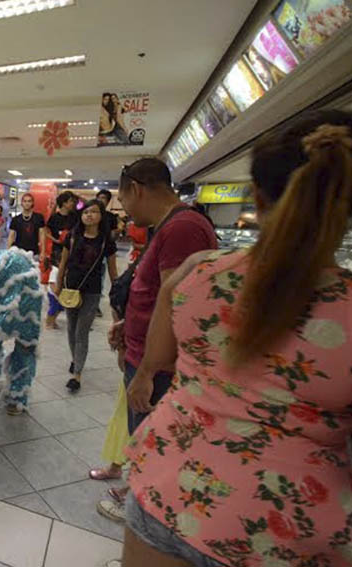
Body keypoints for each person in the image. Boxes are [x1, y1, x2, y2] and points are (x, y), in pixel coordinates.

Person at [121, 111, 352, 567]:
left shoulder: (200, 273)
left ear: (258, 200)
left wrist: (145, 374)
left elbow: (159, 357)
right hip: (289, 525)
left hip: (170, 483)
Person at [101, 157, 217, 523]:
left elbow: (178, 307)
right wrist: (128, 323)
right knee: (145, 444)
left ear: (135, 189)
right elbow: (156, 295)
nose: (126, 210)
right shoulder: (169, 226)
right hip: (146, 356)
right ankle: (140, 505)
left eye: (124, 200)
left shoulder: (182, 228)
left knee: (153, 447)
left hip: (160, 368)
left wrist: (148, 371)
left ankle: (146, 524)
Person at [56, 200, 118, 393]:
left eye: (94, 212)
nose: (89, 215)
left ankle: (77, 374)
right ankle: (76, 359)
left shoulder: (106, 242)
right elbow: (63, 264)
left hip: (92, 291)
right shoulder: (73, 237)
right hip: (70, 288)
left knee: (82, 331)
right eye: (86, 212)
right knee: (71, 329)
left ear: (101, 216)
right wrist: (58, 284)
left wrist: (117, 292)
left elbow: (113, 271)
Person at [45, 191, 79, 328]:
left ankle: (57, 310)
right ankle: (50, 318)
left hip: (72, 251)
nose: (73, 203)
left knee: (67, 277)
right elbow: (46, 231)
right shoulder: (54, 218)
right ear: (64, 202)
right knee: (56, 275)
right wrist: (55, 239)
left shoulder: (75, 217)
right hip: (57, 251)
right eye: (71, 201)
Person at [8, 192, 46, 257]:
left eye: (29, 201)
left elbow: (42, 235)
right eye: (25, 201)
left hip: (34, 252)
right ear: (22, 203)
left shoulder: (39, 218)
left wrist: (43, 252)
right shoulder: (16, 219)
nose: (27, 203)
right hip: (18, 252)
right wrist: (8, 251)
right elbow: (11, 236)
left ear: (32, 203)